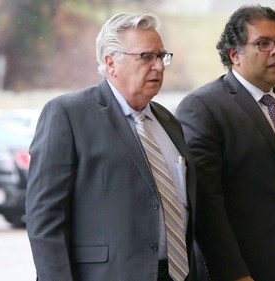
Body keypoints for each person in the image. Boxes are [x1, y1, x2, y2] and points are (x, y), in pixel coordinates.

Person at [26, 12, 199, 281]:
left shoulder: (167, 122)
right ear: (111, 63)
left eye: (162, 56)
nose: (159, 67)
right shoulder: (68, 114)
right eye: (146, 57)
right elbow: (45, 218)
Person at [176, 5, 275, 281]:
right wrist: (234, 274)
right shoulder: (203, 107)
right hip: (241, 272)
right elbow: (206, 205)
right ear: (235, 55)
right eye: (263, 43)